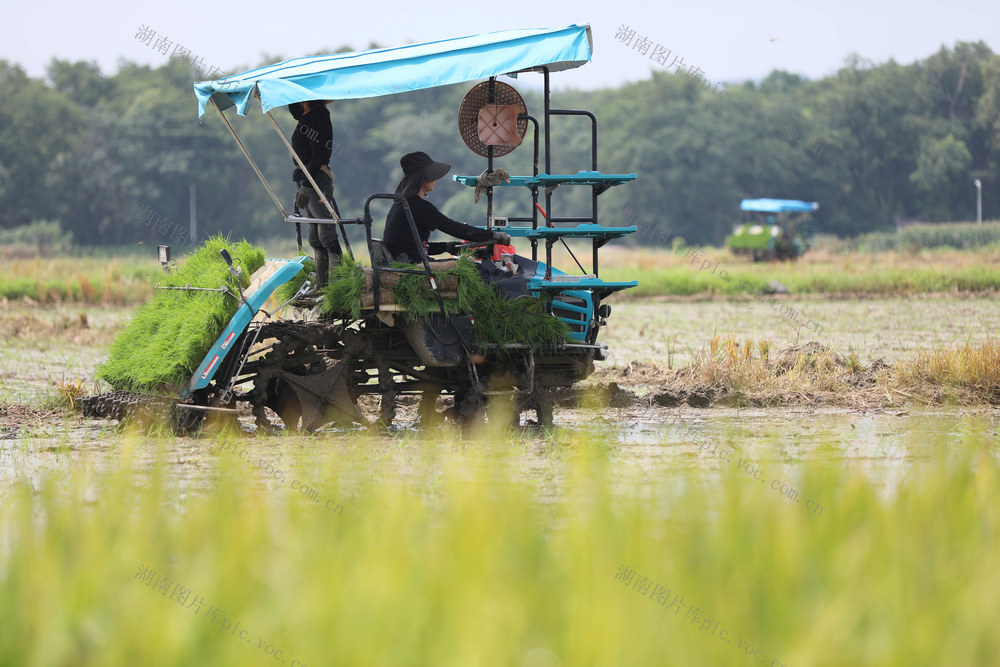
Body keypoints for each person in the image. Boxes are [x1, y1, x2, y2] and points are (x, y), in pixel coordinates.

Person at [383, 151, 510, 264]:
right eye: (433, 176)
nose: (435, 180)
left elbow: (412, 246)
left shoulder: (402, 204)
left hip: (406, 261)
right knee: (473, 267)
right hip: (414, 265)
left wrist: (446, 247)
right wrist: (492, 235)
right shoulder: (417, 206)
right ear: (423, 178)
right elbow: (453, 228)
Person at [289, 100, 342, 289]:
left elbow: (319, 152)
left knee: (326, 230)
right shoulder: (305, 117)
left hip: (315, 177)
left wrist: (307, 185)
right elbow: (295, 113)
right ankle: (322, 286)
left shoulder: (319, 115)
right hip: (305, 176)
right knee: (314, 234)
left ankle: (337, 286)